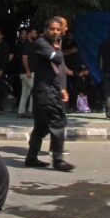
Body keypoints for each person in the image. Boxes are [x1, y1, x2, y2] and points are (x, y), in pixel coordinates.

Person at [24, 17, 74, 171]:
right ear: (46, 30)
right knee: (57, 122)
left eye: (58, 29)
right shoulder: (41, 43)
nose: (56, 32)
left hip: (51, 90)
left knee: (41, 127)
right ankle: (58, 160)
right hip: (45, 91)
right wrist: (58, 49)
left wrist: (62, 88)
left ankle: (31, 158)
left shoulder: (54, 44)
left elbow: (59, 70)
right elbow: (58, 59)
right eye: (52, 29)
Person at [16, 27, 37, 118]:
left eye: (36, 33)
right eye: (33, 33)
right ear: (29, 34)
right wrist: (28, 70)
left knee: (25, 92)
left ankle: (21, 111)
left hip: (26, 72)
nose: (35, 35)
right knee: (34, 91)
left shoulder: (30, 44)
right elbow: (24, 58)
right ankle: (31, 111)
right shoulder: (27, 45)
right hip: (28, 73)